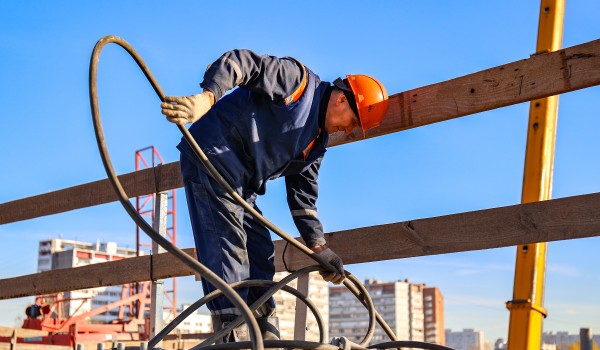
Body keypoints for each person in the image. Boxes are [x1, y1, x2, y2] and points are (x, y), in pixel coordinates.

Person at [161, 49, 389, 342]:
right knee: (228, 253)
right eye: (353, 123)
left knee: (261, 252)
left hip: (243, 187)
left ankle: (267, 337)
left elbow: (303, 199)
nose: (348, 130)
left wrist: (319, 248)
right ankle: (234, 339)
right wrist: (207, 98)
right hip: (213, 156)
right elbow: (242, 63)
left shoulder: (316, 144)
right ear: (343, 99)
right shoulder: (298, 84)